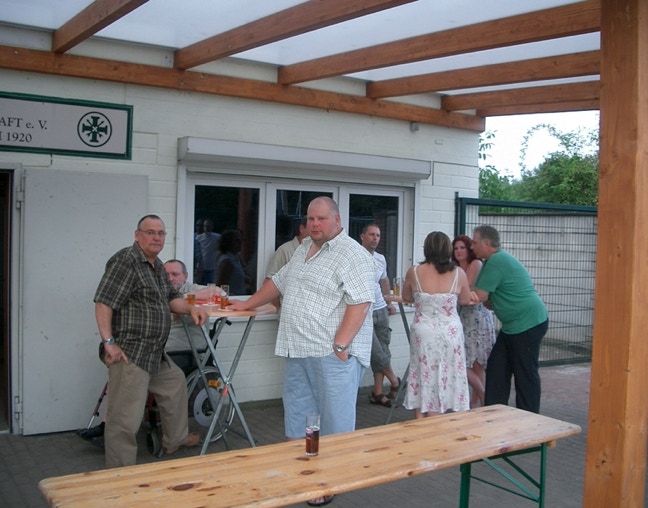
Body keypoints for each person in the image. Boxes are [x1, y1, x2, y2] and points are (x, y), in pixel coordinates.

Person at [229, 196, 374, 508]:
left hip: (330, 353)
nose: (315, 224)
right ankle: (303, 474)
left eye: (321, 219)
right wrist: (246, 304)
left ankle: (328, 481)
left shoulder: (353, 254)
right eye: (310, 219)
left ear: (337, 220)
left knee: (334, 423)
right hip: (298, 348)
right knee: (299, 416)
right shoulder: (303, 248)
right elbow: (278, 283)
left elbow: (361, 302)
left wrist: (341, 345)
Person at [94, 214, 207, 468]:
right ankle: (120, 473)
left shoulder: (156, 266)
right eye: (150, 232)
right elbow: (103, 302)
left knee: (175, 382)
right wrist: (109, 342)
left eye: (161, 233)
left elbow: (171, 299)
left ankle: (175, 439)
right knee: (125, 420)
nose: (157, 238)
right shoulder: (126, 261)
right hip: (131, 352)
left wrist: (191, 309)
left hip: (154, 352)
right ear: (138, 235)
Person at [470, 225, 549, 414]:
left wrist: (451, 291)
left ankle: (529, 418)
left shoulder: (497, 261)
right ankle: (495, 413)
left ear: (487, 243)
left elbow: (479, 295)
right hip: (512, 327)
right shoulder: (490, 262)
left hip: (528, 323)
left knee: (525, 373)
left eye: (474, 242)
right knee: (497, 368)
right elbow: (486, 299)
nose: (472, 246)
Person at [401, 231, 475, 419]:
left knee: (422, 371)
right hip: (450, 332)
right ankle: (441, 412)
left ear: (427, 248)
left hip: (423, 331)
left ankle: (422, 419)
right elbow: (464, 300)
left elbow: (406, 297)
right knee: (447, 372)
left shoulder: (414, 272)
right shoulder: (458, 273)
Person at [359, 224, 400, 408]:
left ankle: (377, 392)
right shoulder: (356, 256)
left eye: (378, 235)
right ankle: (394, 381)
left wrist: (389, 302)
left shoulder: (380, 258)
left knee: (383, 349)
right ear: (362, 236)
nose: (375, 238)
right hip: (364, 311)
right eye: (371, 234)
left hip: (381, 308)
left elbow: (384, 280)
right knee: (375, 351)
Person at [452, 235, 496, 408]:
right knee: (465, 362)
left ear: (469, 249)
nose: (458, 251)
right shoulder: (455, 268)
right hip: (464, 318)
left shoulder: (475, 264)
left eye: (462, 247)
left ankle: (478, 402)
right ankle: (481, 399)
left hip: (478, 318)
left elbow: (466, 289)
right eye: (456, 248)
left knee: (477, 363)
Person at [215, 228, 249, 295]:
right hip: (233, 298)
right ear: (229, 242)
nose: (240, 243)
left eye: (241, 240)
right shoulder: (227, 262)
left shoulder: (236, 257)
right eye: (237, 240)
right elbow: (221, 286)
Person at [197, 218, 221, 284]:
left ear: (212, 227)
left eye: (208, 226)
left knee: (211, 285)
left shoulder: (217, 237)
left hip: (212, 268)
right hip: (201, 268)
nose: (206, 228)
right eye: (205, 226)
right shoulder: (198, 238)